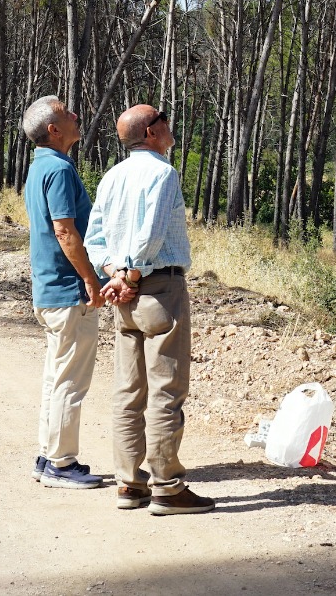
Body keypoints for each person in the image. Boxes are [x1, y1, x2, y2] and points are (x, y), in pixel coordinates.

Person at [83, 104, 214, 516]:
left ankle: (129, 483)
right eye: (165, 119)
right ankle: (167, 487)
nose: (170, 124)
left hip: (125, 296)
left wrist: (115, 275)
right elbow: (152, 234)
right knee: (166, 390)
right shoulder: (163, 173)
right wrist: (132, 275)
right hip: (157, 289)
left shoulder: (112, 176)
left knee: (128, 391)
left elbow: (96, 237)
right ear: (152, 131)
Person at [20, 95, 105, 491]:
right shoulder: (58, 169)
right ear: (54, 130)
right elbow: (65, 230)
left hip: (49, 290)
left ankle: (47, 454)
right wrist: (90, 278)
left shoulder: (40, 168)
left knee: (56, 377)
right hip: (69, 290)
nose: (75, 115)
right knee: (70, 380)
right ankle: (61, 463)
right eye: (67, 113)